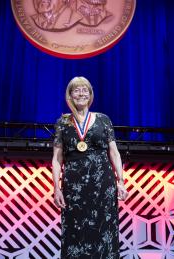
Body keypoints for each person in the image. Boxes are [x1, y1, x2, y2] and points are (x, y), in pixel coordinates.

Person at [52, 76, 128, 259]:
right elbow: (56, 158)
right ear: (70, 95)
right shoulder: (62, 123)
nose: (81, 93)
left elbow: (114, 153)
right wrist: (56, 187)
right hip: (74, 187)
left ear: (90, 94)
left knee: (104, 231)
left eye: (85, 89)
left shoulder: (104, 120)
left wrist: (122, 181)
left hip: (103, 184)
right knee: (75, 232)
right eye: (76, 90)